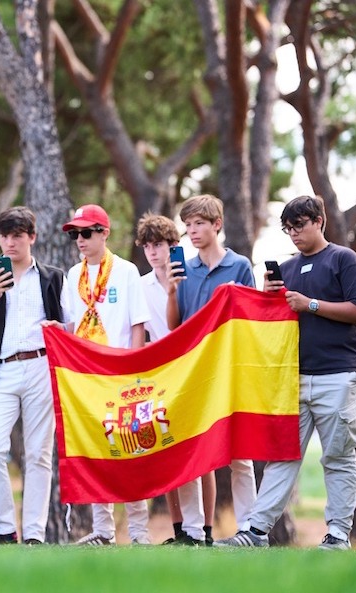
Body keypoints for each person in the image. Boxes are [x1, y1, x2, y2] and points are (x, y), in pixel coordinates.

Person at [216, 195, 356, 550]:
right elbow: (272, 322)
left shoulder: (344, 260)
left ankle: (337, 536)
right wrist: (269, 296)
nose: (294, 234)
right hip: (293, 377)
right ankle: (255, 532)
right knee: (282, 455)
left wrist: (310, 304)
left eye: (299, 225)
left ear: (319, 220)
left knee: (337, 456)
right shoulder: (285, 268)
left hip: (340, 373)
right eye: (288, 229)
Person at [48, 205, 151, 546]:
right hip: (85, 375)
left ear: (105, 233)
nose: (80, 239)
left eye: (87, 232)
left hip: (120, 371)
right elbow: (72, 324)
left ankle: (138, 533)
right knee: (96, 451)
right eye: (75, 233)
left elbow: (138, 323)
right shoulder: (72, 275)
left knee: (130, 449)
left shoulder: (126, 271)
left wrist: (133, 371)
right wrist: (56, 330)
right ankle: (103, 531)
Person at [0, 206, 67, 546]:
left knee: (38, 453)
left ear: (32, 238)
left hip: (41, 366)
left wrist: (58, 329)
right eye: (5, 236)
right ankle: (6, 531)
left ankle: (35, 535)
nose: (10, 243)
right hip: (0, 370)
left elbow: (70, 325)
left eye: (18, 236)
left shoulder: (54, 277)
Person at [166, 194, 257, 543]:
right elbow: (176, 325)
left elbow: (251, 319)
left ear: (216, 225)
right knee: (191, 450)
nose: (192, 231)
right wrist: (172, 291)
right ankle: (191, 530)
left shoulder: (239, 266)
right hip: (192, 371)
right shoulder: (183, 269)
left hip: (230, 370)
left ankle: (248, 527)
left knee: (239, 454)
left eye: (199, 224)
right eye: (187, 225)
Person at [135, 213, 208, 546]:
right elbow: (142, 331)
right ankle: (180, 530)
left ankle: (202, 530)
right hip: (159, 373)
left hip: (194, 368)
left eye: (159, 245)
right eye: (147, 246)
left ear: (173, 246)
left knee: (199, 452)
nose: (153, 252)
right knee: (166, 451)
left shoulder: (193, 276)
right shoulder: (141, 285)